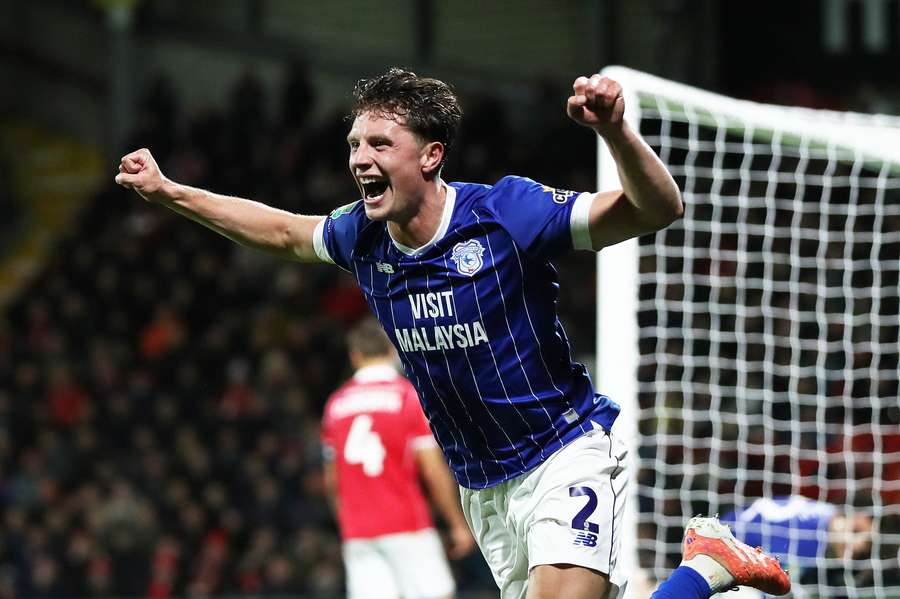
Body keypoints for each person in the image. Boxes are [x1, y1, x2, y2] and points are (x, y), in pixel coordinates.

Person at [115, 67, 790, 598]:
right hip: (483, 485)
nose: (360, 158)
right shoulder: (362, 235)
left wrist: (615, 132)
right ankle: (706, 571)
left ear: (431, 155)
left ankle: (705, 570)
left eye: (380, 143)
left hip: (563, 448)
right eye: (354, 143)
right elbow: (287, 232)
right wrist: (174, 192)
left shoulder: (505, 213)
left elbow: (656, 209)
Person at [320, 317, 475, 599]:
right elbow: (432, 469)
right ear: (392, 351)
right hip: (407, 523)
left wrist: (347, 522)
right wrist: (456, 523)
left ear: (354, 356)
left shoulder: (335, 405)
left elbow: (332, 481)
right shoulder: (407, 397)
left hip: (358, 532)